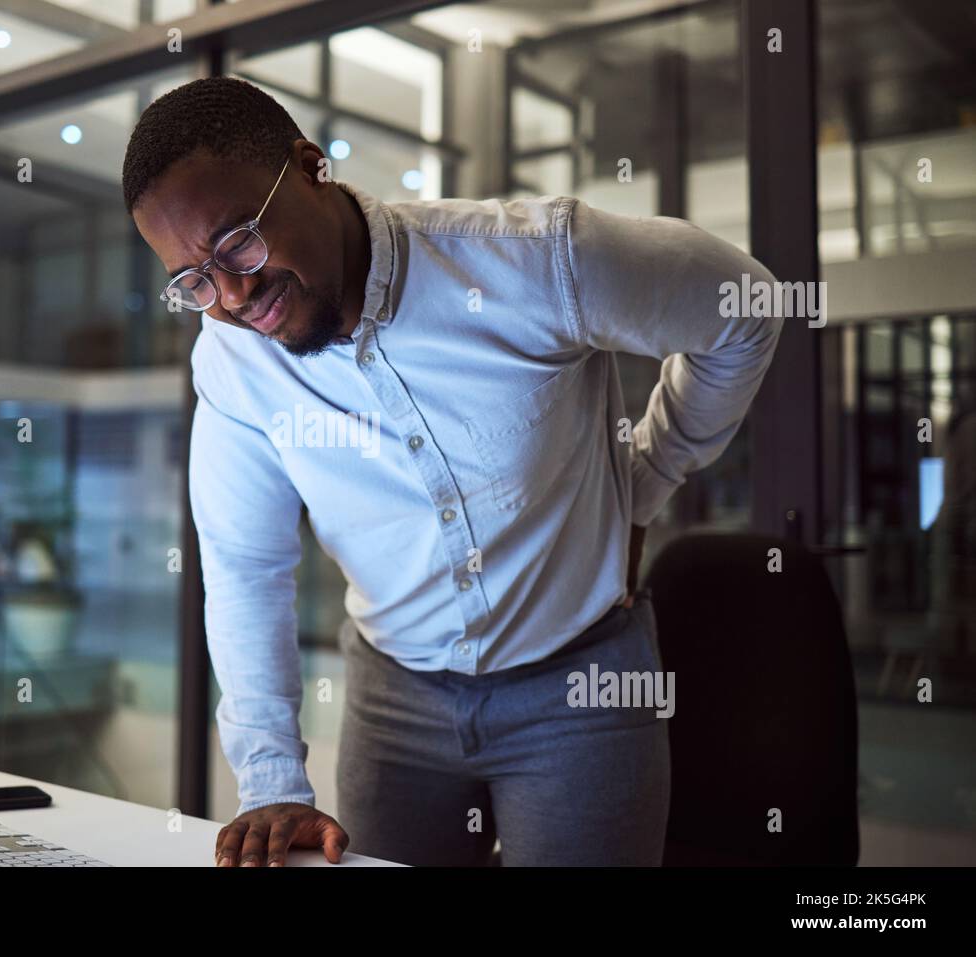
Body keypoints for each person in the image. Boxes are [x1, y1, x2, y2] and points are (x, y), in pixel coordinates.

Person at [123, 76, 783, 866]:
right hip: (393, 699)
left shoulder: (536, 262)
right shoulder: (232, 363)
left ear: (309, 168)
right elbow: (244, 566)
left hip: (580, 679)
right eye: (193, 280)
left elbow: (745, 308)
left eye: (238, 242)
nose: (233, 294)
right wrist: (270, 777)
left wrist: (650, 477)